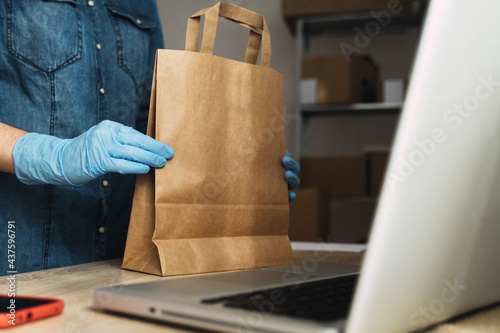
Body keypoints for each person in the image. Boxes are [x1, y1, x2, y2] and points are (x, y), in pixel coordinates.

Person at [0, 0, 300, 274]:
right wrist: (53, 157)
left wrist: (246, 177)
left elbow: (157, 123)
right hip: (21, 256)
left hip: (125, 259)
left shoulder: (143, 3)